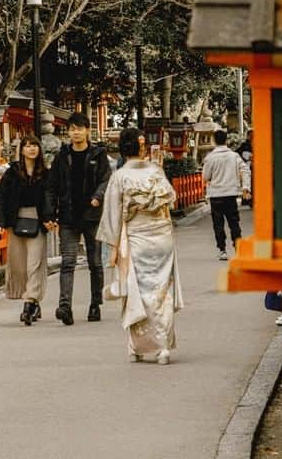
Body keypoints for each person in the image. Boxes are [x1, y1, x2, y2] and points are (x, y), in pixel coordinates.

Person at [97, 127, 183, 365]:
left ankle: (141, 345)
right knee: (162, 290)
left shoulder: (120, 176)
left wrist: (112, 247)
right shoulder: (156, 171)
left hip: (137, 236)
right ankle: (163, 346)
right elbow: (171, 201)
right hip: (162, 234)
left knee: (139, 291)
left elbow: (112, 215)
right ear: (142, 146)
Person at [47, 112, 112, 325]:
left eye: (79, 128)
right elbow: (52, 186)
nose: (75, 132)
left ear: (87, 130)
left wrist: (97, 197)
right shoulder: (62, 156)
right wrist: (50, 212)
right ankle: (65, 306)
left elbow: (105, 179)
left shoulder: (98, 154)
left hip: (92, 215)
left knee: (94, 262)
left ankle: (95, 303)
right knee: (68, 262)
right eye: (72, 129)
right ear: (68, 132)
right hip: (67, 215)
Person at [0, 135, 57, 325]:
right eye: (27, 146)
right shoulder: (12, 172)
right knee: (19, 265)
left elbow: (51, 197)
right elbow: (1, 197)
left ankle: (29, 303)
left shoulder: (46, 173)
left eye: (34, 145)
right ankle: (33, 299)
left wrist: (50, 218)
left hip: (38, 220)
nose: (31, 149)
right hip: (16, 220)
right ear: (21, 150)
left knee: (34, 264)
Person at [202, 129, 251, 261]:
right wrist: (246, 187)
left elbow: (206, 176)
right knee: (234, 222)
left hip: (216, 195)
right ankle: (238, 247)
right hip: (230, 194)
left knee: (218, 224)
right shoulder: (234, 156)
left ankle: (222, 250)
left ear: (214, 140)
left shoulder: (210, 157)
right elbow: (245, 170)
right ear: (226, 140)